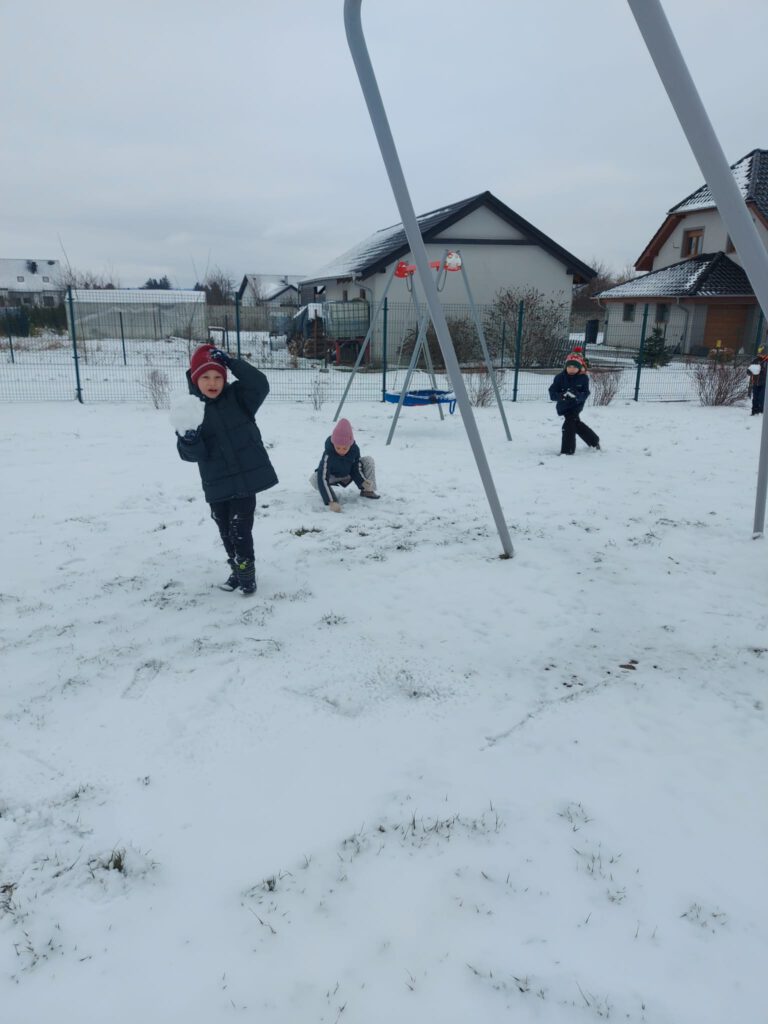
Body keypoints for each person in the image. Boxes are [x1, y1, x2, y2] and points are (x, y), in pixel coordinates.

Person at [175, 344, 278, 594]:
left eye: (218, 376)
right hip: (217, 483)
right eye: (206, 377)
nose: (213, 382)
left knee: (240, 529)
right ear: (195, 378)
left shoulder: (239, 398)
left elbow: (260, 384)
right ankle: (235, 568)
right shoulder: (190, 411)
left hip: (245, 482)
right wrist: (189, 440)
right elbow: (190, 455)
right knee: (225, 530)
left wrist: (232, 362)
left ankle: (247, 575)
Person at [310, 418, 379, 511]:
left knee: (368, 460)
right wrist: (331, 501)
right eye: (338, 447)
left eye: (345, 448)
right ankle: (330, 495)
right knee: (315, 478)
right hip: (333, 475)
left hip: (349, 473)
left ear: (350, 445)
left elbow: (356, 468)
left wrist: (363, 482)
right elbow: (323, 476)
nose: (341, 451)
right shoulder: (328, 453)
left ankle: (368, 490)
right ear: (333, 443)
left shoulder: (354, 450)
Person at [548, 347, 600, 455]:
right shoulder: (559, 378)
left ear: (579, 368)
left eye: (574, 367)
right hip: (563, 407)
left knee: (568, 426)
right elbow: (552, 393)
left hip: (576, 406)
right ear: (566, 367)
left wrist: (577, 396)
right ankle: (594, 440)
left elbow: (586, 393)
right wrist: (561, 396)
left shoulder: (583, 378)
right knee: (576, 424)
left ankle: (567, 451)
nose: (571, 369)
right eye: (569, 366)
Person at [747, 346, 768, 415]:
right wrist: (750, 371)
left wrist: (762, 370)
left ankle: (760, 411)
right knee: (755, 397)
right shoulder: (755, 360)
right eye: (759, 353)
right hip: (756, 382)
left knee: (761, 397)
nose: (760, 354)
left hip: (765, 383)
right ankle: (754, 411)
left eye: (761, 353)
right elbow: (748, 370)